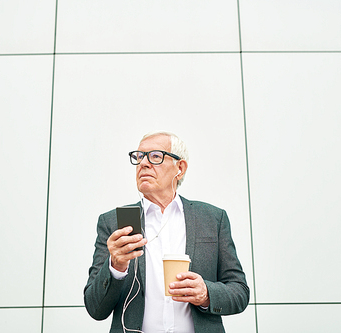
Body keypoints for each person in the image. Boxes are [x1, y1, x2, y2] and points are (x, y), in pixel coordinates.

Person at [84, 131, 249, 333]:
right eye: (138, 157)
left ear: (180, 168)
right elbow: (95, 308)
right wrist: (115, 266)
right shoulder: (113, 223)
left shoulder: (213, 219)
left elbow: (240, 292)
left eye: (155, 156)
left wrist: (206, 294)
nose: (143, 163)